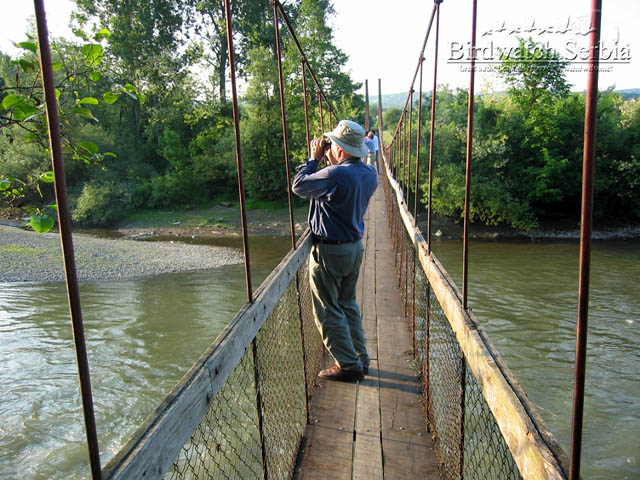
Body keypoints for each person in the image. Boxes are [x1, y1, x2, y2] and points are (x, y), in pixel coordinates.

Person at [292, 120, 378, 381]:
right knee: (347, 305)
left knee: (329, 311)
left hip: (330, 253)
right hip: (353, 249)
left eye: (332, 144)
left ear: (340, 149)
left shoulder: (335, 175)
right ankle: (361, 359)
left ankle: (349, 365)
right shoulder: (369, 173)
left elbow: (299, 186)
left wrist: (312, 160)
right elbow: (335, 189)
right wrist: (329, 161)